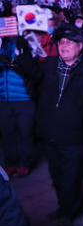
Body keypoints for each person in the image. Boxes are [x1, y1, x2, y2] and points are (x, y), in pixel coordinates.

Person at [15, 24, 83, 226]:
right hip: (50, 132)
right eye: (61, 42)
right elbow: (28, 70)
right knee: (56, 175)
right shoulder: (48, 65)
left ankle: (68, 212)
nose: (63, 46)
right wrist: (23, 50)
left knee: (71, 177)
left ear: (80, 46)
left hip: (75, 136)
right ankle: (63, 205)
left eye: (69, 42)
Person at [0, 36, 37, 177]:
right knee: (7, 133)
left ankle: (25, 163)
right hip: (3, 99)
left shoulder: (25, 43)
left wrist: (14, 63)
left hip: (24, 98)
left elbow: (33, 70)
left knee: (25, 132)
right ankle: (11, 163)